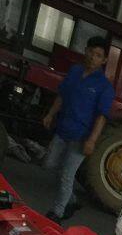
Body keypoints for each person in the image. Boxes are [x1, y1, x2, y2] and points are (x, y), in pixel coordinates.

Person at [42, 35, 114, 223]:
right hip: (63, 129)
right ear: (85, 51)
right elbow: (62, 95)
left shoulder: (104, 87)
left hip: (81, 136)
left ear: (104, 60)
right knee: (50, 164)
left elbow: (101, 116)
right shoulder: (74, 71)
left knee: (67, 175)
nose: (93, 57)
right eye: (91, 52)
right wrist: (50, 114)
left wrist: (92, 140)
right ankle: (72, 200)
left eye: (98, 55)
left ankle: (56, 213)